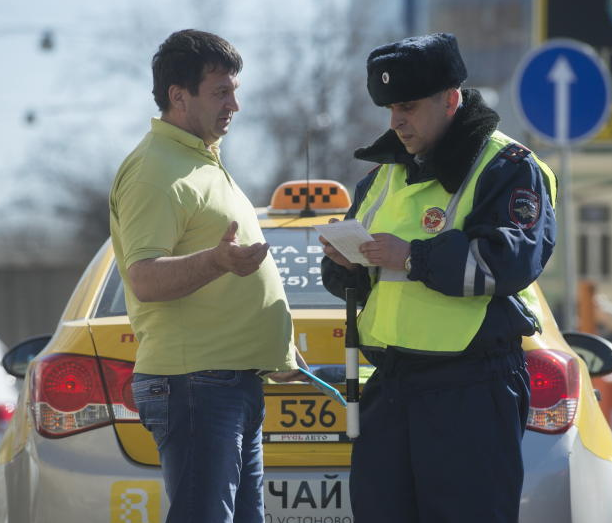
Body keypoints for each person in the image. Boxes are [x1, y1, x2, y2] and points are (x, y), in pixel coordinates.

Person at [320, 33, 557, 522]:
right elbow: (369, 284)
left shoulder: (508, 168)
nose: (396, 121)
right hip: (392, 385)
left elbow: (509, 261)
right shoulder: (381, 176)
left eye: (407, 106)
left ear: (451, 100)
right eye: (389, 109)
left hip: (471, 386)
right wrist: (344, 266)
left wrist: (412, 258)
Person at [109, 29, 306, 523]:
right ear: (179, 96)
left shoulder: (200, 161)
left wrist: (275, 347)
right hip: (195, 385)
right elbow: (145, 278)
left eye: (234, 91)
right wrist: (217, 261)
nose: (235, 105)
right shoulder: (155, 170)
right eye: (221, 92)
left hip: (226, 383)